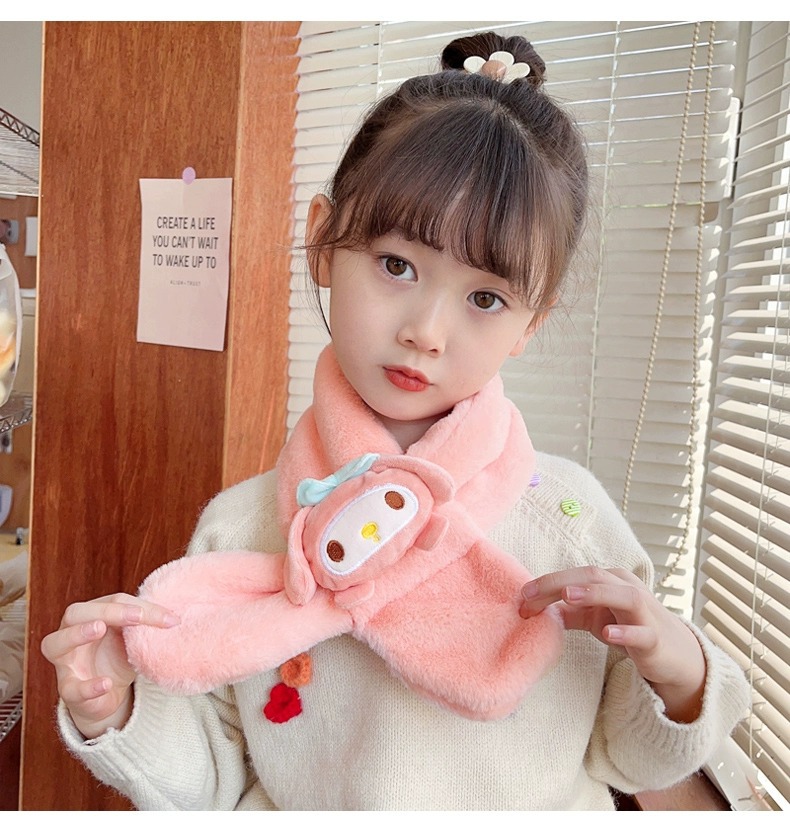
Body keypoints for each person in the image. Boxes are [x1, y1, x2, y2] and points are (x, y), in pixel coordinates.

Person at [41, 31, 749, 810]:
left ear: (532, 323)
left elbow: (631, 758)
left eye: (486, 298)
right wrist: (113, 708)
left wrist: (679, 670)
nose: (427, 331)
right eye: (397, 265)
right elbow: (214, 779)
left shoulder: (569, 523)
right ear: (322, 240)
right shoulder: (241, 530)